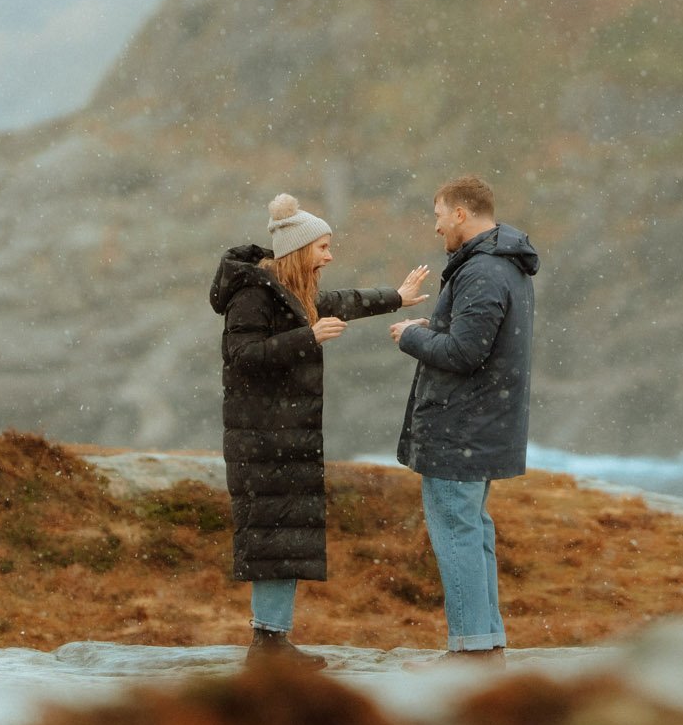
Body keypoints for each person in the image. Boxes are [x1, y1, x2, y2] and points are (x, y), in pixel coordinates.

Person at [210, 192, 431, 666]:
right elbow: (241, 358)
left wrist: (396, 297)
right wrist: (305, 338)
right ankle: (268, 646)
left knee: (283, 536)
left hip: (284, 439)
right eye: (324, 247)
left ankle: (272, 642)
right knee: (272, 537)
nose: (330, 256)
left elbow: (340, 300)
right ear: (300, 249)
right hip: (262, 440)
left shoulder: (294, 295)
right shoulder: (252, 296)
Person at [389, 174, 539, 664]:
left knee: (457, 532)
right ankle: (486, 642)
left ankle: (472, 650)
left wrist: (411, 336)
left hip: (460, 429)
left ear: (459, 214)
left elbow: (464, 352)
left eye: (437, 216)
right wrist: (429, 327)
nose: (435, 228)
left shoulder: (482, 272)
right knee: (472, 531)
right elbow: (473, 341)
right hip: (480, 425)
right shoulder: (501, 265)